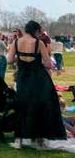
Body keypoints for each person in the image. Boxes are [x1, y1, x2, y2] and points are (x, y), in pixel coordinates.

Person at [7, 20, 66, 149]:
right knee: (41, 107)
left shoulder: (16, 42)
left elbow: (10, 60)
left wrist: (20, 57)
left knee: (22, 106)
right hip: (38, 79)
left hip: (23, 78)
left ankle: (19, 140)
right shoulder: (39, 44)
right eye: (39, 32)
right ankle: (39, 139)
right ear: (36, 31)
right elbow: (48, 64)